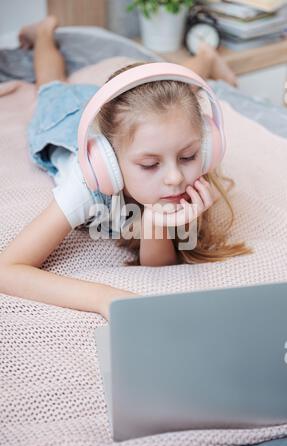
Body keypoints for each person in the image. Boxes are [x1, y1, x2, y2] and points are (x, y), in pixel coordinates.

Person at [0, 16, 252, 321]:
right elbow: (7, 271)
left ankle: (204, 56)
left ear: (208, 145)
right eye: (150, 164)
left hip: (130, 116)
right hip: (63, 119)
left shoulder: (178, 153)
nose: (175, 178)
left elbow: (157, 268)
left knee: (174, 95)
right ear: (108, 163)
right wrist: (103, 297)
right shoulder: (87, 184)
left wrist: (154, 224)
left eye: (187, 156)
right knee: (51, 85)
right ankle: (43, 32)